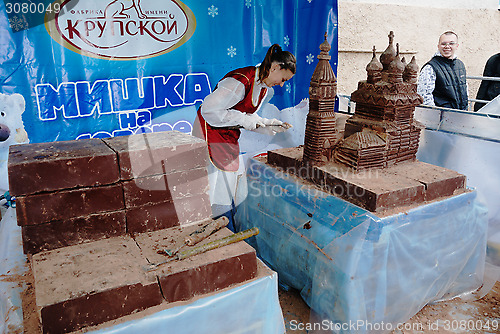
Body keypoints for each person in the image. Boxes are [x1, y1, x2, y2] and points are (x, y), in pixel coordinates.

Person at [192, 44, 296, 231]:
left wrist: (268, 124)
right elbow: (209, 110)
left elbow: (246, 118)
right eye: (283, 79)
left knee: (228, 182)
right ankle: (213, 226)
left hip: (227, 133)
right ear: (275, 68)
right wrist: (251, 122)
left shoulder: (263, 88)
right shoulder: (241, 81)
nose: (282, 84)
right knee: (214, 183)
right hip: (209, 131)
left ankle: (223, 224)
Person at [417, 31, 468, 110]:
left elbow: (465, 90)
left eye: (451, 43)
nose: (447, 46)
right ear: (438, 46)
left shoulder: (460, 65)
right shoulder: (430, 67)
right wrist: (435, 116)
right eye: (443, 44)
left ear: (457, 46)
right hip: (441, 118)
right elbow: (424, 96)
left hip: (460, 116)